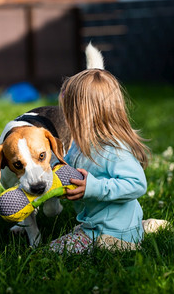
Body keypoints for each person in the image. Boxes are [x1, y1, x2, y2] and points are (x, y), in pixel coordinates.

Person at [49, 65, 167, 254]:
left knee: (52, 252)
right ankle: (142, 227)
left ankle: (124, 243)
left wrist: (92, 188)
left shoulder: (113, 149)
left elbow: (137, 184)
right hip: (97, 223)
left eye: (68, 113)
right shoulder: (80, 145)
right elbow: (69, 166)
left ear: (83, 115)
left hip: (112, 231)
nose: (65, 118)